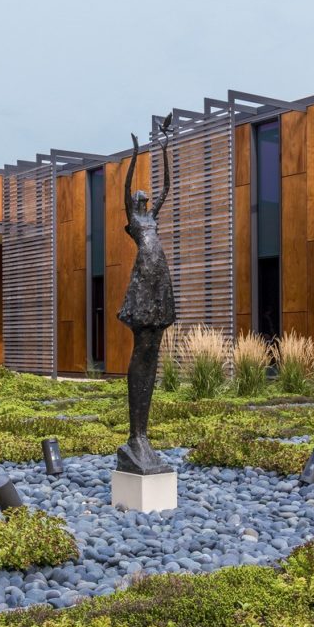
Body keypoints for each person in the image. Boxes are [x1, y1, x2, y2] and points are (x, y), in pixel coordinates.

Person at [116, 127, 176, 475]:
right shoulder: (134, 219)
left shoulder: (152, 217)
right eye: (140, 197)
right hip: (143, 280)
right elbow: (125, 188)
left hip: (159, 279)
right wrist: (136, 153)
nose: (143, 198)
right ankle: (136, 434)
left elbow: (168, 187)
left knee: (154, 348)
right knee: (142, 348)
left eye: (145, 197)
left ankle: (144, 434)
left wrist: (164, 149)